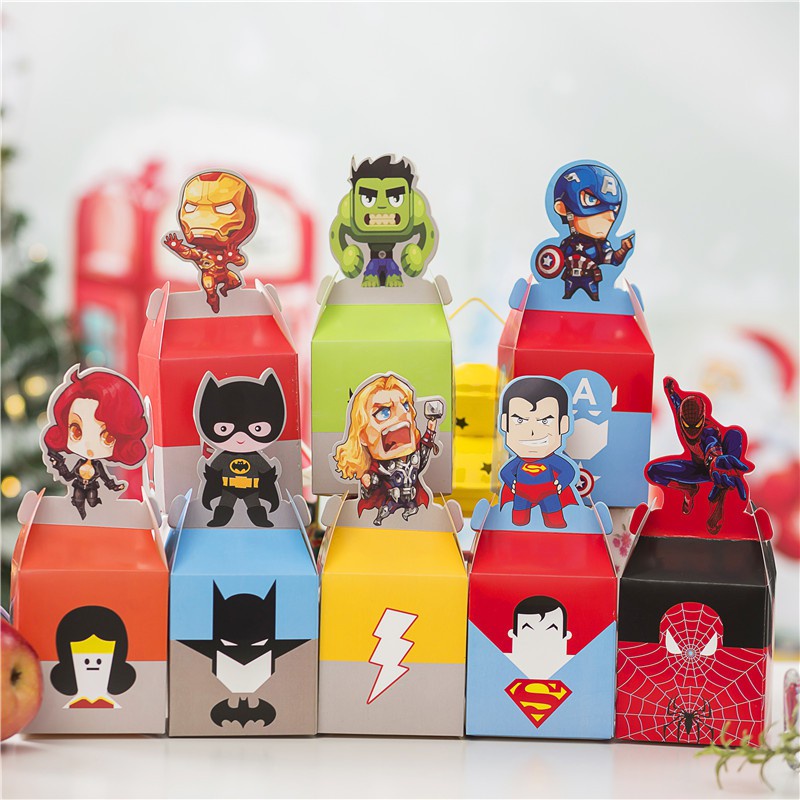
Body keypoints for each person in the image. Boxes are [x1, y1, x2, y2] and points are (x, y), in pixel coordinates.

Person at [334, 373, 443, 526]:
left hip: (416, 515)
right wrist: (368, 481)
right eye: (384, 412)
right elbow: (373, 485)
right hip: (380, 517)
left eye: (405, 406)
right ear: (362, 435)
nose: (403, 414)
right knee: (385, 511)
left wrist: (431, 429)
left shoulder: (414, 459)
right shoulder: (379, 468)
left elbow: (423, 457)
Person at [647, 377, 751, 535]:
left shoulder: (709, 432)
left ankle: (719, 493)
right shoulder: (681, 414)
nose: (691, 430)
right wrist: (671, 391)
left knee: (734, 434)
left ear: (702, 419)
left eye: (696, 425)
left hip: (714, 470)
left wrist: (715, 460)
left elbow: (712, 447)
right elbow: (677, 403)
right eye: (687, 425)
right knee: (652, 472)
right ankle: (688, 489)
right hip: (695, 469)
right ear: (682, 419)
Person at [43, 366, 148, 519]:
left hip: (96, 492)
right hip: (78, 489)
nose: (88, 447)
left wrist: (114, 486)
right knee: (79, 502)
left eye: (107, 437)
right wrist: (59, 464)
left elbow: (105, 478)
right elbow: (68, 476)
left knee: (93, 503)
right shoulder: (79, 464)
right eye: (77, 431)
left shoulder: (98, 466)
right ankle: (82, 514)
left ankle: (93, 511)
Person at [498, 376, 578, 528]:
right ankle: (519, 523)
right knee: (518, 521)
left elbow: (568, 470)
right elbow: (505, 472)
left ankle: (555, 523)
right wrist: (512, 482)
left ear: (564, 425)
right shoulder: (517, 461)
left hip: (548, 492)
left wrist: (560, 483)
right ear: (504, 423)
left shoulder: (552, 460)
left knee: (554, 519)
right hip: (521, 492)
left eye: (545, 421)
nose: (532, 432)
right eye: (520, 420)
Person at [506, 595, 573, 678]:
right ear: (513, 634)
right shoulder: (503, 662)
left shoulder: (573, 665)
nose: (539, 638)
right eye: (528, 629)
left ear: (566, 636)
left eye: (551, 629)